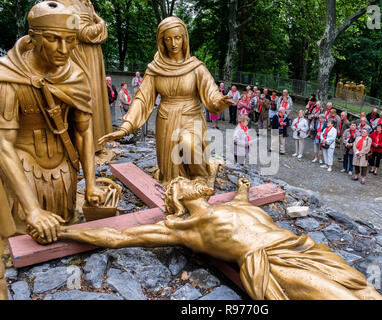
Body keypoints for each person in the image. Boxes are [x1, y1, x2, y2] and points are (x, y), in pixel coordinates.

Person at [32, 176, 382, 300]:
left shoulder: (233, 203)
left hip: (303, 248)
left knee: (366, 291)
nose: (189, 179)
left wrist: (244, 189)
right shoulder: (182, 228)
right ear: (177, 199)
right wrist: (63, 230)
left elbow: (243, 200)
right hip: (272, 264)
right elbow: (116, 236)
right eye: (180, 181)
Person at [0, 1, 105, 300]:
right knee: (23, 229)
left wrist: (92, 184)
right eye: (53, 39)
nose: (63, 48)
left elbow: (84, 133)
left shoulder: (76, 76)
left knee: (60, 228)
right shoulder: (7, 76)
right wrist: (32, 210)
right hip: (21, 166)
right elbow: (3, 145)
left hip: (62, 172)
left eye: (70, 41)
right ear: (32, 37)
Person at [99, 17, 233, 186]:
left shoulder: (196, 67)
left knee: (188, 143)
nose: (173, 43)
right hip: (166, 120)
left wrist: (219, 103)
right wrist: (126, 127)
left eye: (177, 38)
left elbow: (211, 92)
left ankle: (199, 178)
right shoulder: (156, 69)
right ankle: (174, 182)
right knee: (170, 175)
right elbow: (142, 99)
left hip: (191, 117)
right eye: (168, 39)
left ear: (184, 39)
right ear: (161, 41)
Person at [56, 0, 112, 152]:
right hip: (80, 56)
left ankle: (95, 144)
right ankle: (84, 146)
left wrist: (98, 27)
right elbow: (83, 33)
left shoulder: (87, 3)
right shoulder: (66, 2)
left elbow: (100, 35)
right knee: (86, 97)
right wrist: (101, 22)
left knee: (95, 97)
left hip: (91, 56)